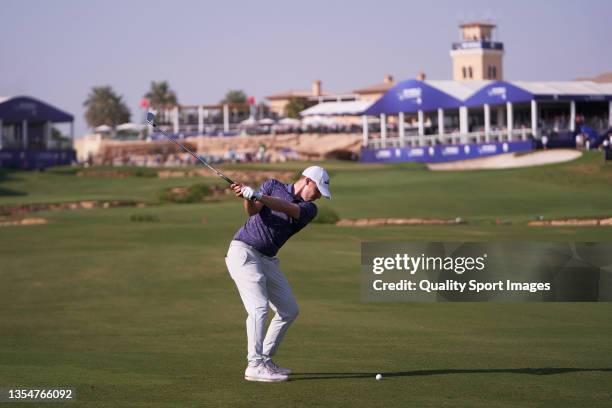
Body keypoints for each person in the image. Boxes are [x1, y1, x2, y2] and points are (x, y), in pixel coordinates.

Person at [225, 166, 331, 382]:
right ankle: (254, 365)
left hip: (267, 259)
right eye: (318, 190)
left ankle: (264, 359)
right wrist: (247, 197)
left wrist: (257, 194)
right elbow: (253, 211)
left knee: (289, 309)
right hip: (244, 251)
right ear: (307, 180)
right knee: (259, 308)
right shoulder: (273, 185)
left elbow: (287, 207)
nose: (319, 195)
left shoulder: (309, 209)